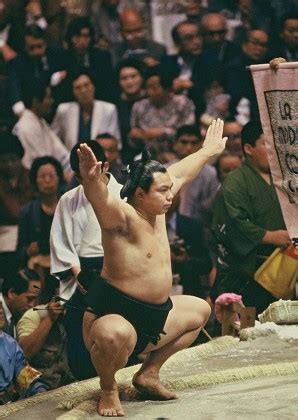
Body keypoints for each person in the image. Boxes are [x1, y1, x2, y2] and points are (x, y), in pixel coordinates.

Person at [77, 118, 226, 416]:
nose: (171, 195)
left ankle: (149, 374)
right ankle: (108, 389)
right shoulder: (121, 219)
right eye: (163, 191)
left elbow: (182, 172)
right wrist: (91, 181)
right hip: (111, 319)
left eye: (169, 190)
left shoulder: (157, 208)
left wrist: (208, 151)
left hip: (153, 319)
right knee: (114, 335)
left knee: (200, 310)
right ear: (140, 194)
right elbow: (102, 202)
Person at [50, 140, 122, 379]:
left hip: (120, 270)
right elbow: (61, 242)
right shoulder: (68, 200)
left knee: (118, 333)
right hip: (81, 272)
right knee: (80, 345)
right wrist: (77, 272)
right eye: (81, 177)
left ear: (105, 166)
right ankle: (84, 380)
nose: (87, 181)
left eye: (92, 173)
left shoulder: (125, 195)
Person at [211, 121, 290, 316]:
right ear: (249, 148)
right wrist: (269, 236)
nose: (274, 150)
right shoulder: (234, 182)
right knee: (241, 335)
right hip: (241, 277)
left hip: (281, 272)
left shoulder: (285, 181)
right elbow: (231, 223)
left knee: (280, 335)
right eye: (266, 144)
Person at [12, 79, 71, 181]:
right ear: (35, 102)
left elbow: (61, 153)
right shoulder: (25, 127)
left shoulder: (40, 121)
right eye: (48, 97)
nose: (52, 101)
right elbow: (42, 163)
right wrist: (64, 175)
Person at [17, 156, 64, 275]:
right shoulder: (27, 212)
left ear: (59, 178)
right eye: (42, 177)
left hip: (66, 262)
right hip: (38, 267)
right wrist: (28, 251)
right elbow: (20, 251)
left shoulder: (69, 207)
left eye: (52, 175)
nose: (47, 181)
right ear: (35, 181)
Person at [51, 71, 121, 151]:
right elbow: (54, 139)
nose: (83, 91)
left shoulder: (108, 109)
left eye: (87, 85)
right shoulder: (63, 110)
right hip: (71, 160)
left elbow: (116, 143)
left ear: (93, 86)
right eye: (78, 88)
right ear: (73, 92)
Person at [0, 302, 47, 404]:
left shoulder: (10, 344)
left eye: (0, 307)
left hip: (9, 405)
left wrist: (39, 391)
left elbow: (24, 374)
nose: (0, 311)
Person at [0, 268, 41, 339]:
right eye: (29, 299)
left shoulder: (15, 314)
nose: (33, 305)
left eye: (36, 299)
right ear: (11, 293)